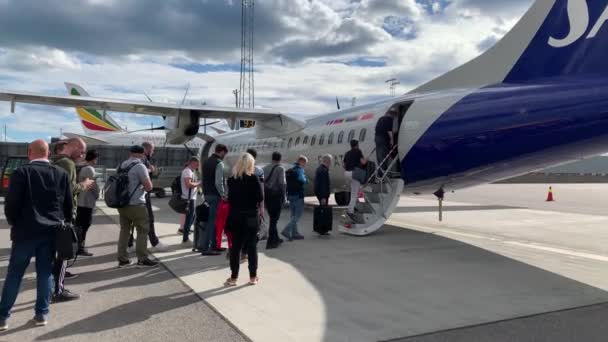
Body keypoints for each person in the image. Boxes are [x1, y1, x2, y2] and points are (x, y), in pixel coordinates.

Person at [0, 140, 73, 330]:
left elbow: (11, 204)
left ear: (29, 152)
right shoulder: (61, 174)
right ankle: (41, 314)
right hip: (51, 233)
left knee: (15, 274)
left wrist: (14, 222)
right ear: (48, 153)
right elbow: (68, 205)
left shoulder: (21, 172)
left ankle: (3, 318)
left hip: (25, 232)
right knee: (45, 273)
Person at [52, 137, 94, 302]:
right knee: (64, 254)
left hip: (54, 214)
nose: (83, 155)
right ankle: (58, 290)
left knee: (54, 253)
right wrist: (84, 185)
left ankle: (53, 286)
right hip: (64, 215)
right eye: (82, 151)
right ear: (73, 147)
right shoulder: (67, 163)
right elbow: (67, 190)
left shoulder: (54, 161)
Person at [224, 153, 263, 287]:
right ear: (251, 164)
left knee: (235, 247)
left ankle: (234, 277)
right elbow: (260, 197)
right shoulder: (254, 179)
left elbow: (229, 199)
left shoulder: (232, 180)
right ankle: (253, 277)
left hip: (235, 216)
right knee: (252, 247)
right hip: (251, 216)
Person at [116, 145, 159, 268]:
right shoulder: (140, 166)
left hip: (122, 204)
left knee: (124, 231)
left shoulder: (122, 165)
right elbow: (149, 187)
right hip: (136, 204)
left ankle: (122, 259)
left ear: (130, 153)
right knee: (142, 230)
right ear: (142, 154)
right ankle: (142, 259)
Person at [128, 142, 168, 252]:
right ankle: (153, 243)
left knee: (131, 221)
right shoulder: (143, 160)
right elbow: (146, 180)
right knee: (149, 219)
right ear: (146, 150)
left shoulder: (127, 162)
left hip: (130, 196)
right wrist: (151, 170)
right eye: (152, 150)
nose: (153, 152)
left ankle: (130, 244)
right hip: (142, 195)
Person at [201, 144, 228, 256]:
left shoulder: (206, 162)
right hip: (215, 195)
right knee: (212, 223)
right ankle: (207, 248)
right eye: (224, 154)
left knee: (213, 221)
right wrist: (224, 194)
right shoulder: (219, 163)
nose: (224, 156)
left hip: (207, 194)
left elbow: (203, 179)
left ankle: (214, 246)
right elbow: (218, 182)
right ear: (221, 152)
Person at [75, 149, 100, 257]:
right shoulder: (90, 169)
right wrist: (97, 194)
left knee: (80, 224)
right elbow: (92, 185)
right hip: (86, 201)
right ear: (94, 159)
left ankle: (78, 246)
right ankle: (79, 247)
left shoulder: (81, 167)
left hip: (80, 200)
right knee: (84, 224)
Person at [262, 152, 286, 249]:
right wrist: (284, 196)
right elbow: (282, 183)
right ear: (280, 159)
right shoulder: (280, 168)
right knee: (274, 220)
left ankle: (276, 238)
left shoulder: (265, 168)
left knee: (272, 218)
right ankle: (271, 242)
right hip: (276, 196)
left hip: (267, 195)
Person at [281, 155, 308, 241]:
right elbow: (302, 180)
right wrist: (305, 179)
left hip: (290, 195)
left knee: (292, 215)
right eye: (305, 163)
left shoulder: (290, 169)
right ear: (301, 162)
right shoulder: (299, 170)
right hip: (298, 195)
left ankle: (294, 233)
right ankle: (286, 230)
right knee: (298, 215)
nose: (305, 165)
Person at [343, 140, 367, 219]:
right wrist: (366, 160)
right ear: (357, 145)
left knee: (360, 190)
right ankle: (350, 210)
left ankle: (358, 206)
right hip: (354, 173)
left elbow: (344, 164)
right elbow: (363, 162)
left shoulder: (347, 153)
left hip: (347, 173)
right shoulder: (358, 151)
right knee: (354, 193)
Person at [180, 156, 201, 245]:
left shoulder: (191, 171)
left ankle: (186, 234)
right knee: (189, 219)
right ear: (192, 162)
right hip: (189, 199)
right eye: (197, 164)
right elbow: (188, 184)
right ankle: (185, 239)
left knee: (191, 217)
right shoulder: (187, 171)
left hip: (191, 198)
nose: (197, 166)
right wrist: (199, 183)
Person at [375, 109, 396, 174]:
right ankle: (382, 173)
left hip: (377, 137)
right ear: (392, 114)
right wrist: (392, 140)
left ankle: (380, 172)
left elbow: (376, 128)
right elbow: (389, 130)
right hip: (383, 139)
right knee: (384, 156)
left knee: (379, 156)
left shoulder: (380, 118)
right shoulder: (390, 119)